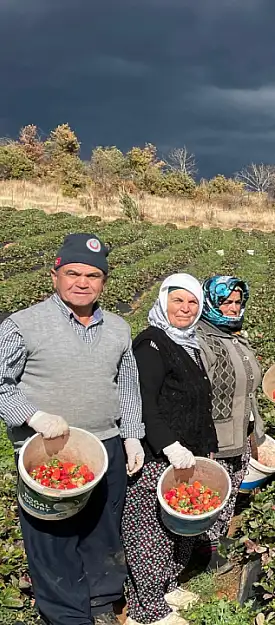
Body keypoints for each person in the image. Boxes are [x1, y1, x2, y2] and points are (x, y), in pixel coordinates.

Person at [0, 233, 144, 625]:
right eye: (73, 273)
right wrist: (33, 416)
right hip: (47, 451)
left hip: (106, 445)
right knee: (52, 535)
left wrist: (132, 434)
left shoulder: (118, 328)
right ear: (55, 276)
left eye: (93, 275)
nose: (82, 282)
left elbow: (128, 385)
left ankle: (101, 600)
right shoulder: (23, 325)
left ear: (104, 282)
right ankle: (66, 615)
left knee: (102, 527)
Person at [124, 273, 217, 625]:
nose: (186, 308)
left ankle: (167, 585)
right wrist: (168, 444)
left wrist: (203, 446)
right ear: (163, 301)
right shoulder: (151, 344)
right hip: (155, 456)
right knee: (148, 531)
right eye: (178, 300)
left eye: (193, 302)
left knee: (177, 527)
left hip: (186, 455)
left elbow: (196, 402)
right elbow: (144, 402)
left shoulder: (188, 344)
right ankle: (146, 611)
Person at [194, 276, 267, 571]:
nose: (233, 308)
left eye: (238, 302)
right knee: (212, 489)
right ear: (211, 303)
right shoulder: (201, 339)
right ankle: (203, 550)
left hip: (241, 426)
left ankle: (217, 538)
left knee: (231, 487)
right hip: (216, 432)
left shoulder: (235, 336)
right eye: (226, 302)